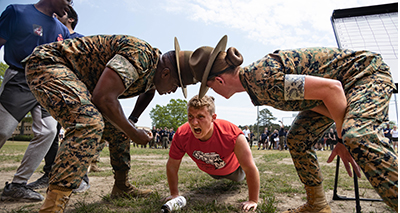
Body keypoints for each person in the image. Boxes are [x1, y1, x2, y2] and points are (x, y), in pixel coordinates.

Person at [193, 35, 398, 212]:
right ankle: (317, 205)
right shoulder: (256, 85)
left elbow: (332, 89)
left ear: (219, 81)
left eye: (210, 87)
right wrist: (340, 129)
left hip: (365, 76)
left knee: (356, 136)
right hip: (340, 90)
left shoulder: (262, 81)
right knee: (297, 138)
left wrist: (342, 137)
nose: (212, 93)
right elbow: (317, 99)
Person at [22, 35, 202, 212]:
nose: (173, 91)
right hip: (49, 64)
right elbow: (103, 98)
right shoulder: (141, 55)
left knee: (120, 127)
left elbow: (148, 91)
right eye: (177, 85)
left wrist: (132, 122)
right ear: (166, 73)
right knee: (88, 123)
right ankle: (52, 207)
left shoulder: (153, 73)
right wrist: (134, 133)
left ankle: (121, 187)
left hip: (80, 82)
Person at [0, 0, 71, 202]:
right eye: (68, 0)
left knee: (49, 132)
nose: (70, 5)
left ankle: (17, 185)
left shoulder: (61, 31)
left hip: (46, 85)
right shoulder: (17, 12)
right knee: (2, 130)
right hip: (19, 79)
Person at [27, 5, 92, 194]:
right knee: (51, 132)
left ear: (70, 19)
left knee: (77, 131)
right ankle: (49, 173)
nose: (54, 14)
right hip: (50, 89)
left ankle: (80, 177)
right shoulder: (50, 35)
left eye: (60, 13)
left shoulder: (78, 39)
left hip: (73, 91)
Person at [165, 95, 260, 212]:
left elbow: (250, 168)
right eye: (190, 116)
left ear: (213, 117)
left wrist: (253, 200)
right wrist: (174, 194)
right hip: (211, 170)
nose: (194, 122)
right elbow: (172, 165)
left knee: (242, 174)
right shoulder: (182, 134)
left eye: (200, 117)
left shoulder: (231, 134)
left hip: (235, 171)